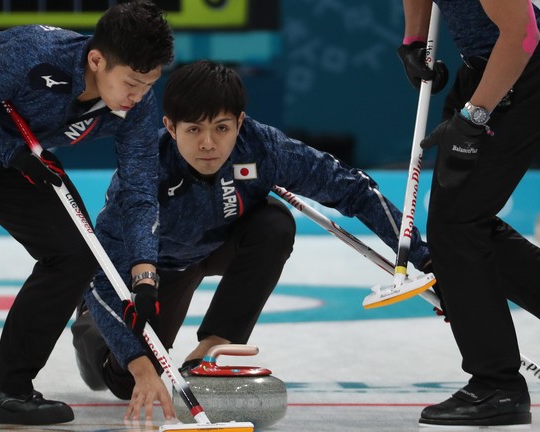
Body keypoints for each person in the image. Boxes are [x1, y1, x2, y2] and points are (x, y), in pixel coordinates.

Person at [71, 59, 435, 422]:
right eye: (194, 130)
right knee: (128, 380)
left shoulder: (261, 148)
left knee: (275, 223)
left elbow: (354, 189)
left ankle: (215, 344)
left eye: (222, 127)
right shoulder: (143, 171)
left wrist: (423, 257)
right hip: (155, 269)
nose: (209, 144)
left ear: (240, 123)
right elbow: (101, 272)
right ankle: (90, 327)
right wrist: (137, 364)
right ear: (170, 126)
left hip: (224, 244)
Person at [0, 0, 173, 425]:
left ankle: (3, 388)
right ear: (96, 60)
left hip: (13, 158)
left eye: (148, 84)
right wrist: (11, 152)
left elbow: (139, 188)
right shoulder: (32, 54)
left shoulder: (137, 107)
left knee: (75, 255)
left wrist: (144, 271)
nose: (139, 96)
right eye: (131, 82)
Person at [397, 0, 540, 427]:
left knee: (457, 225)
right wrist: (414, 39)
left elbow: (524, 34)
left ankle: (498, 387)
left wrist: (474, 117)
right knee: (457, 226)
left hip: (520, 65)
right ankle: (496, 383)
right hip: (484, 65)